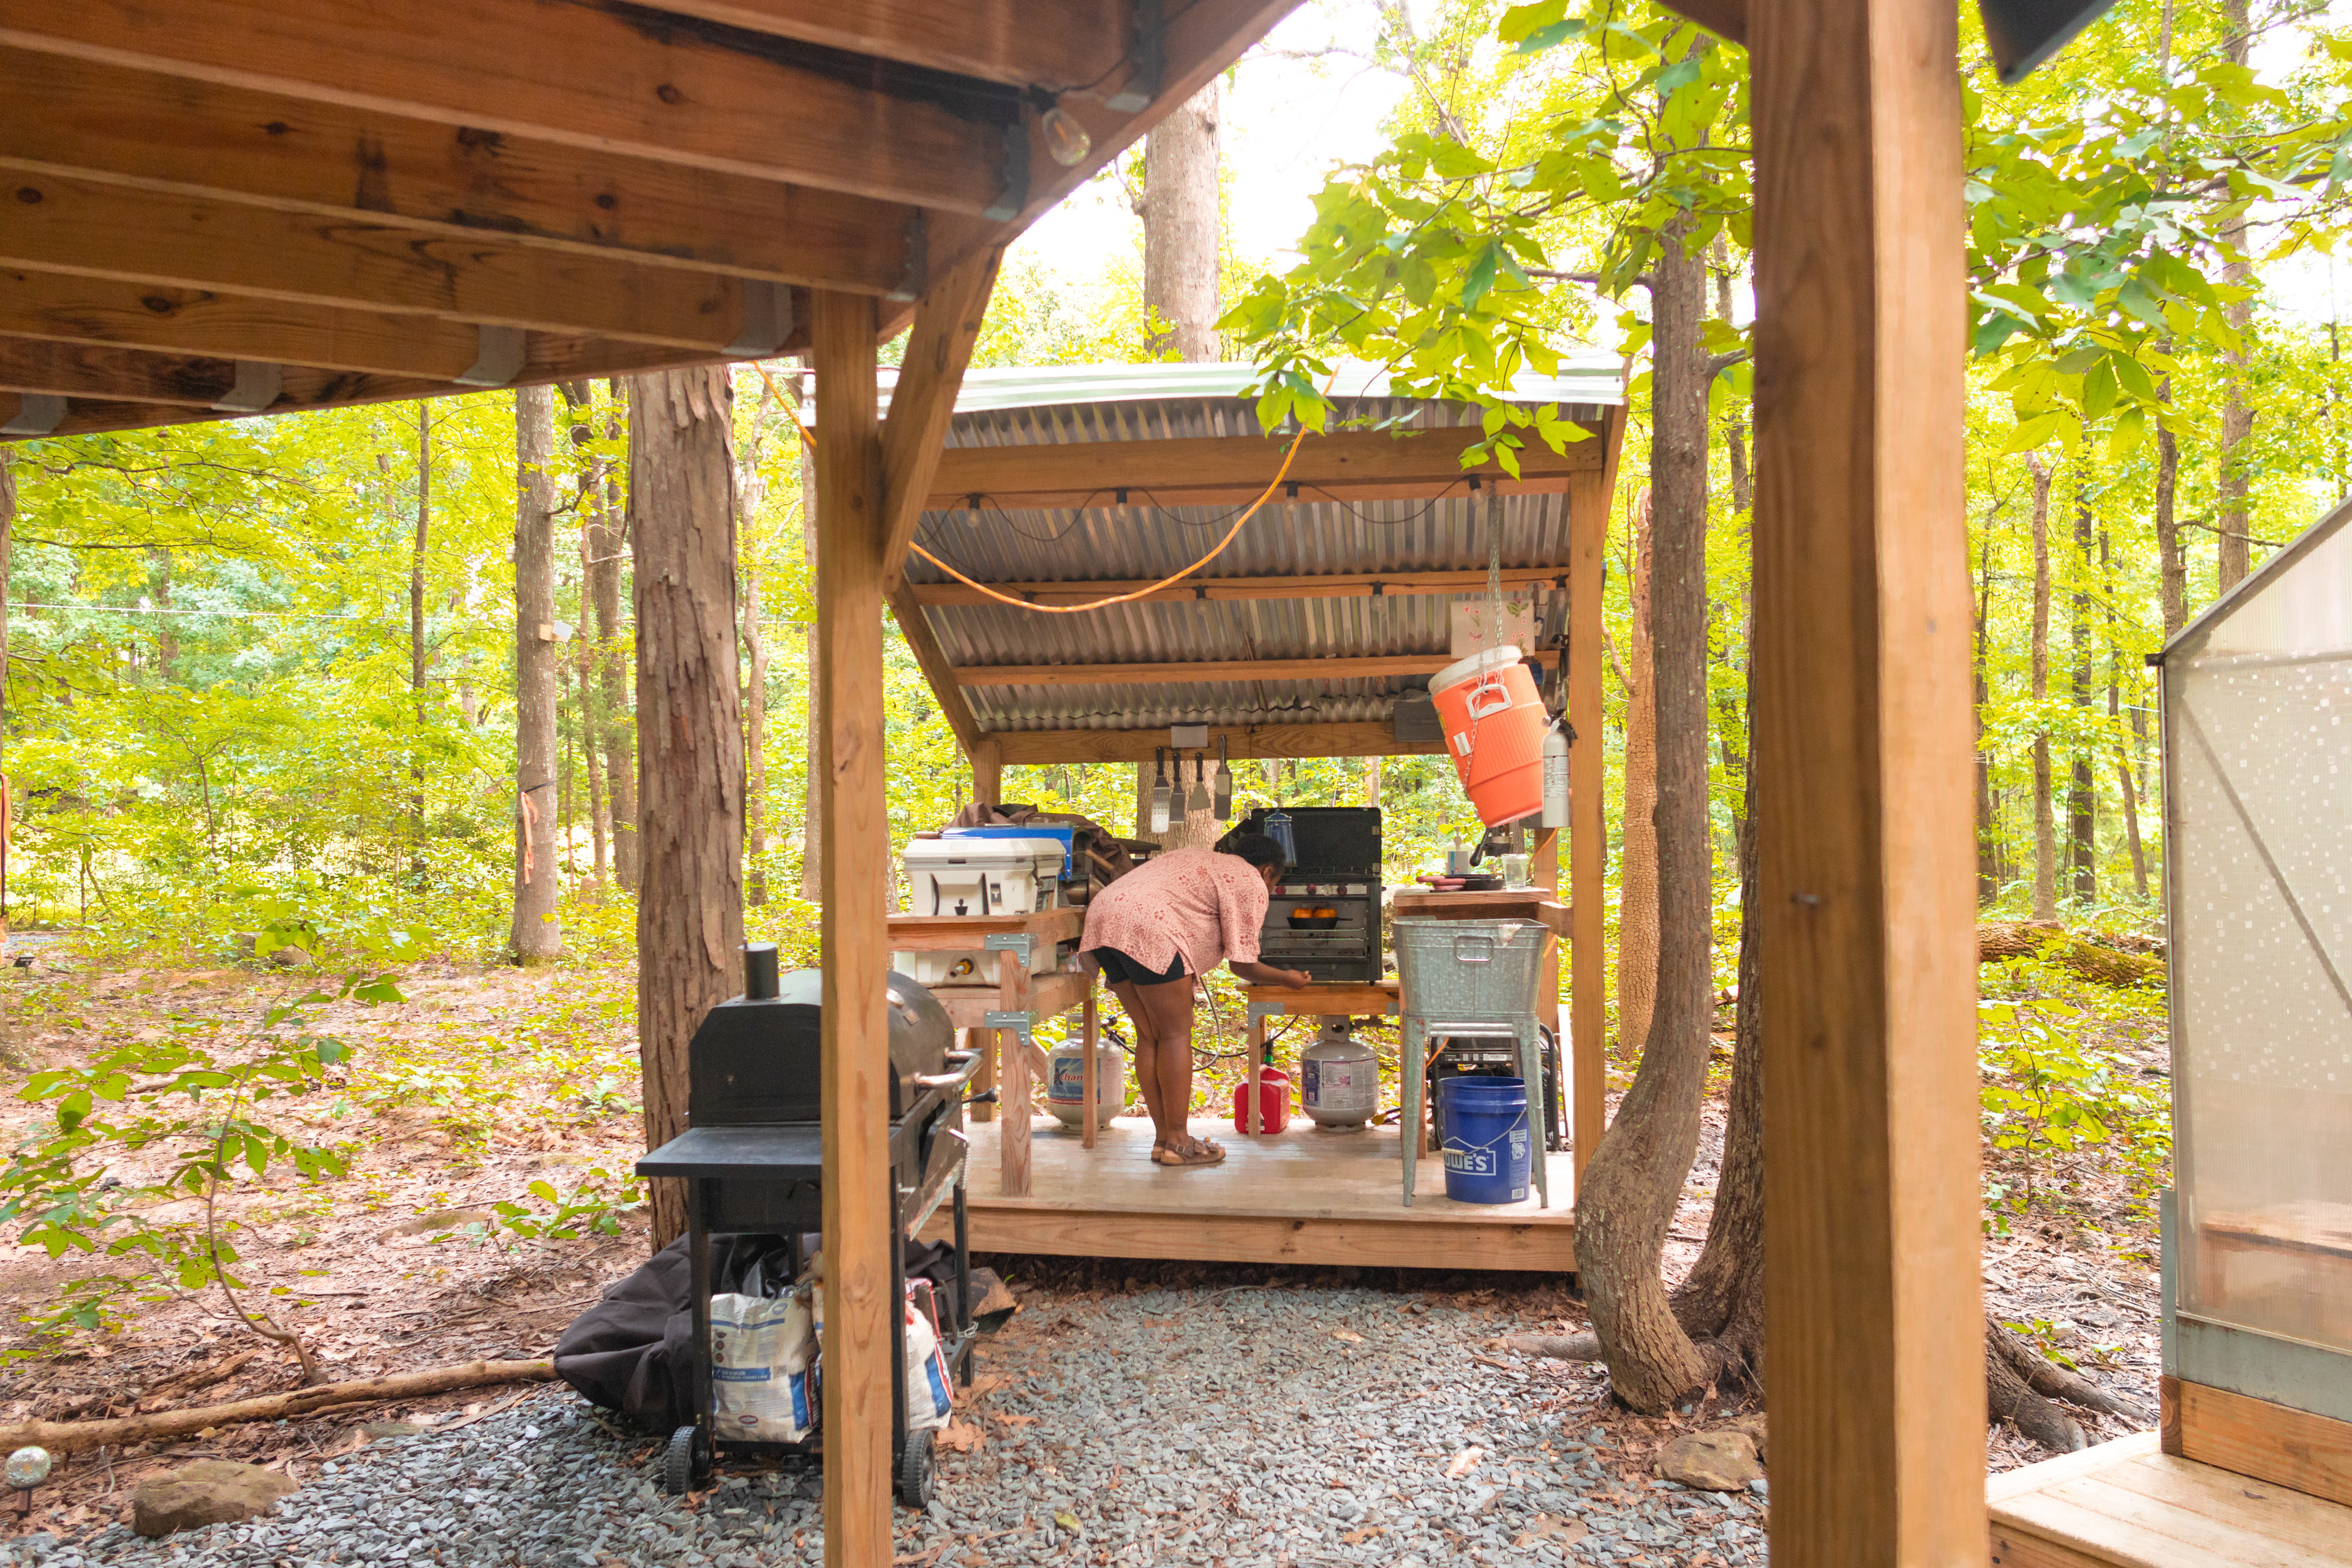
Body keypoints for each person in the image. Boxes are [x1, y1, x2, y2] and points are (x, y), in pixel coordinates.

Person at [1079, 832, 1311, 1167]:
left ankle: (1165, 1141)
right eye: (1273, 884)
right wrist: (1288, 979)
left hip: (1103, 920)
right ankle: (1178, 1141)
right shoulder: (1250, 879)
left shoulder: (1198, 858)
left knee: (1150, 1035)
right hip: (1150, 928)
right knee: (1174, 1034)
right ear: (1268, 872)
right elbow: (1242, 963)